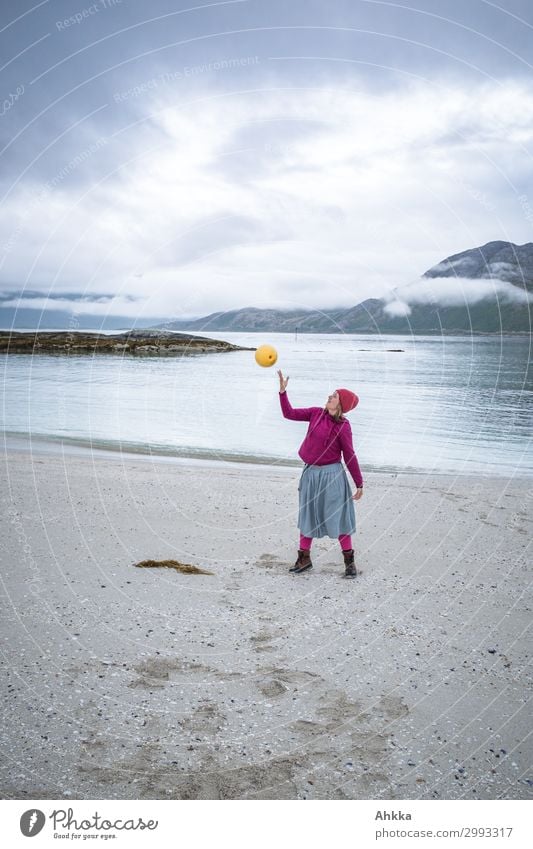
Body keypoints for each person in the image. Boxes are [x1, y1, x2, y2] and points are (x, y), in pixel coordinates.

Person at [277, 369, 364, 578]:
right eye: (331, 394)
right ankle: (304, 559)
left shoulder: (343, 427)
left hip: (332, 476)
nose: (329, 397)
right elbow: (288, 413)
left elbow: (350, 455)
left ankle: (349, 563)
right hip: (310, 475)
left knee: (340, 518)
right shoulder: (316, 413)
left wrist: (359, 483)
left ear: (341, 404)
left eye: (334, 396)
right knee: (308, 516)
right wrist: (282, 392)